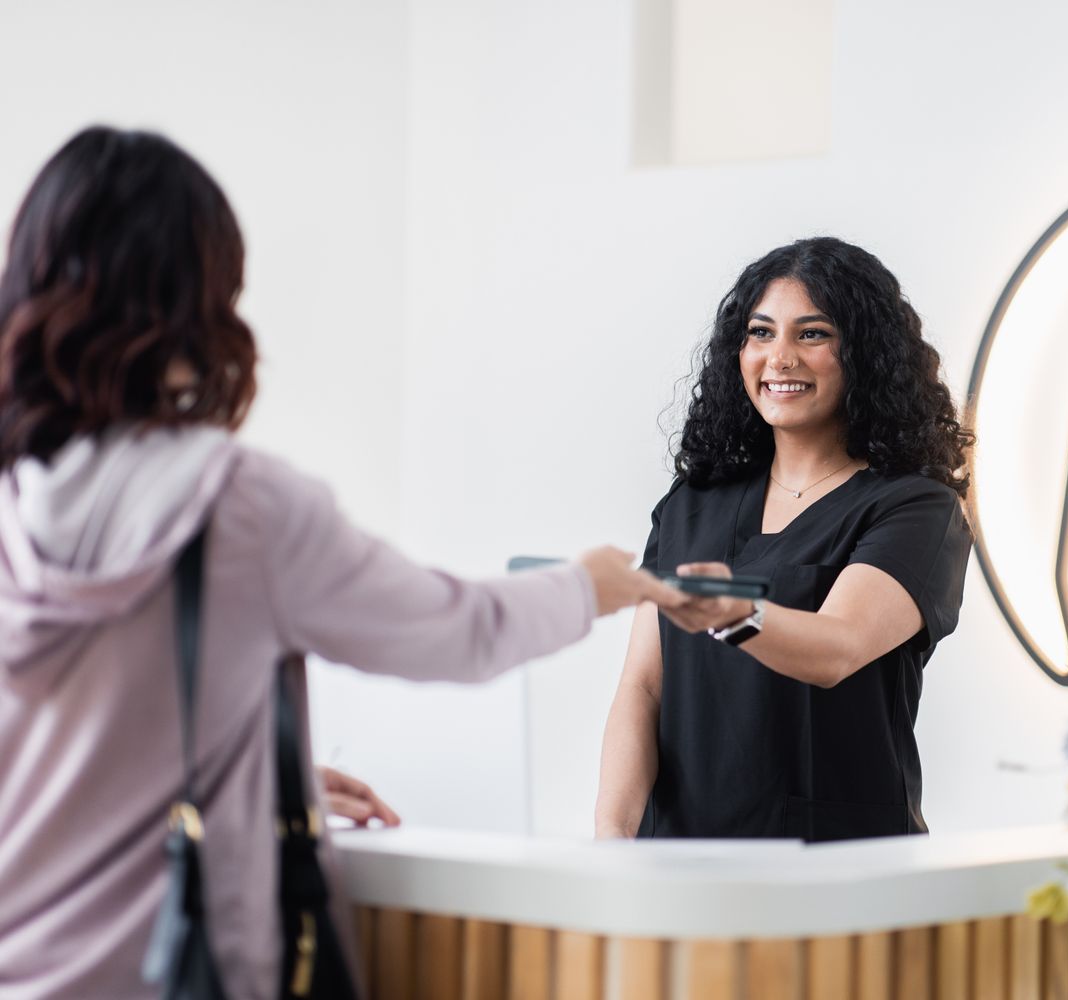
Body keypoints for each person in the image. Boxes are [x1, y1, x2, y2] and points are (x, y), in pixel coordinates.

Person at [0, 126, 689, 999]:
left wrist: (243, 774)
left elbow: (57, 754)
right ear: (199, 302)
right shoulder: (234, 510)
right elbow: (456, 633)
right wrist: (589, 587)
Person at [594, 237, 974, 843]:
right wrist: (613, 840)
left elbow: (837, 649)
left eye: (813, 334)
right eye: (761, 332)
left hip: (839, 867)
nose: (780, 358)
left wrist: (735, 612)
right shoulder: (691, 505)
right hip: (678, 862)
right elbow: (643, 686)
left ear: (866, 353)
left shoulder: (915, 508)